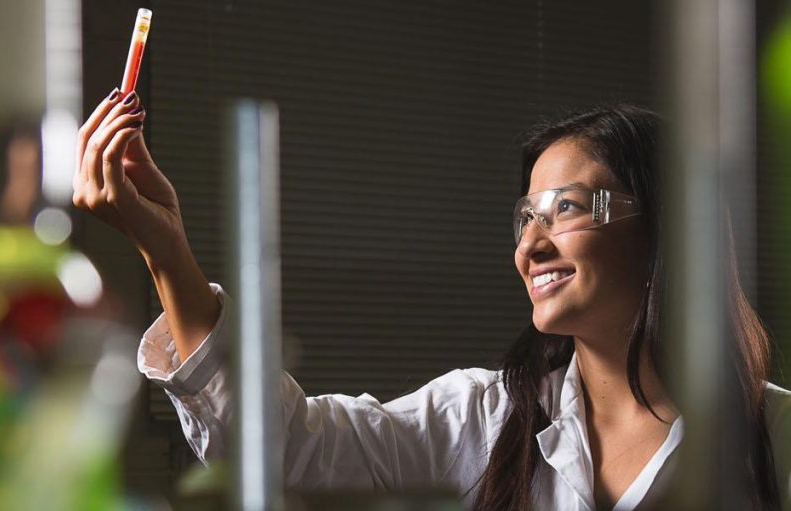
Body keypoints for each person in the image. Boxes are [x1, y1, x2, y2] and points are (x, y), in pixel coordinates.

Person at [72, 90, 791, 510]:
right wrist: (165, 249)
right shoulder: (489, 416)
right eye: (524, 217)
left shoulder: (776, 434)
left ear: (667, 227)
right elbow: (282, 446)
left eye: (566, 209)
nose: (530, 245)